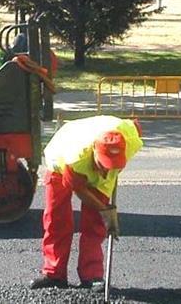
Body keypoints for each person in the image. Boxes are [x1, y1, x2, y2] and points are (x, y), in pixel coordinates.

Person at [30, 115, 143, 290]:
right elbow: (80, 190)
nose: (107, 170)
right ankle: (54, 274)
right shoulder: (75, 157)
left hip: (94, 144)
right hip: (60, 163)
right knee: (56, 218)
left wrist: (103, 214)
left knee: (95, 223)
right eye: (104, 164)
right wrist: (106, 210)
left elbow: (135, 126)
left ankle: (92, 276)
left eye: (113, 165)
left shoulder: (130, 140)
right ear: (94, 152)